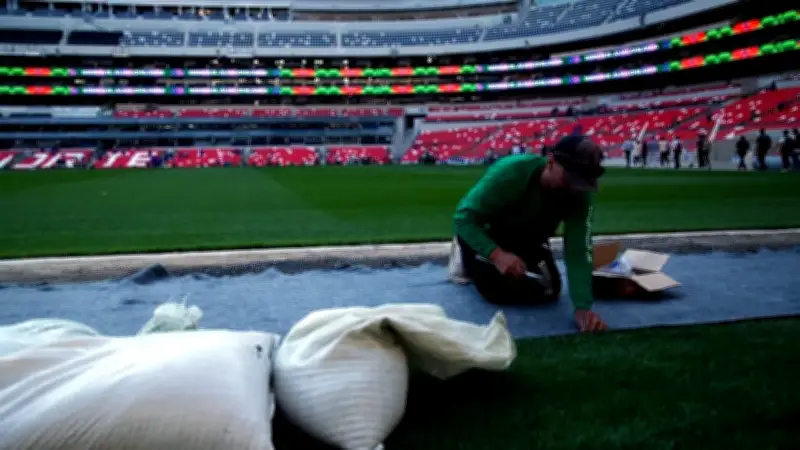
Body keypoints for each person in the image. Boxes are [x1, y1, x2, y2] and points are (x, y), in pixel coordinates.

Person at [453, 135, 608, 333]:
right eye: (569, 179)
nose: (573, 189)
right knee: (499, 291)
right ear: (551, 162)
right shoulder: (511, 172)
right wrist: (496, 255)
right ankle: (468, 258)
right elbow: (463, 218)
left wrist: (582, 308)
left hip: (530, 238)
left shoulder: (579, 194)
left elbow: (579, 249)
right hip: (489, 234)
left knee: (548, 290)